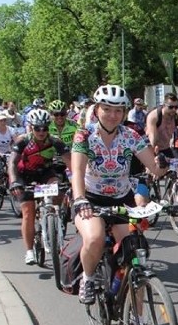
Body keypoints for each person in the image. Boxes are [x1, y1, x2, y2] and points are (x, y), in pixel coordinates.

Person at [70, 84, 169, 304]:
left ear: (125, 112)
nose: (113, 115)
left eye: (118, 110)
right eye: (107, 109)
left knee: (136, 253)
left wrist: (161, 164)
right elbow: (76, 171)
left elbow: (154, 169)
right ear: (97, 110)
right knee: (95, 238)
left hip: (121, 199)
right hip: (90, 199)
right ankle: (87, 278)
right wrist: (79, 199)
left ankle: (138, 321)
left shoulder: (131, 135)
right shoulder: (84, 135)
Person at [8, 109, 70, 265]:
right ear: (31, 127)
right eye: (37, 128)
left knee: (59, 188)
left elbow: (70, 162)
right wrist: (14, 181)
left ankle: (54, 219)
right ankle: (29, 251)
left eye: (45, 128)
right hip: (24, 176)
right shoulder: (23, 140)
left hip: (45, 173)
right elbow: (12, 163)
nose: (41, 132)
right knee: (28, 212)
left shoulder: (55, 141)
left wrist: (77, 180)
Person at [144, 92, 178, 159]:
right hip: (151, 148)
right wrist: (152, 156)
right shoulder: (154, 117)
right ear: (164, 105)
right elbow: (152, 138)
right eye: (170, 107)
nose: (174, 110)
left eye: (176, 107)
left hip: (166, 148)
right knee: (154, 168)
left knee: (177, 167)